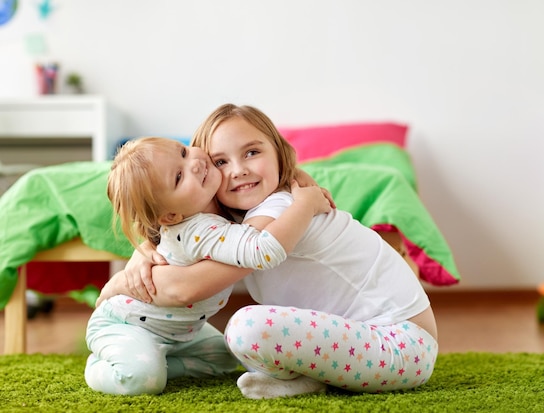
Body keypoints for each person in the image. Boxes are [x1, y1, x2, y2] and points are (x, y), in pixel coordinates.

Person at [99, 104, 438, 399]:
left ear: (278, 151)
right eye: (220, 160)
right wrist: (145, 248)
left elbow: (189, 283)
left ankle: (307, 379)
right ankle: (309, 379)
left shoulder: (281, 208)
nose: (238, 169)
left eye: (252, 153)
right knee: (245, 344)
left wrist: (304, 203)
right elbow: (177, 228)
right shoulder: (233, 218)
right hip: (370, 341)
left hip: (402, 344)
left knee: (246, 328)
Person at [87, 136, 331, 395]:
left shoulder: (213, 202)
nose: (193, 163)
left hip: (180, 333)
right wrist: (305, 206)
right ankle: (101, 367)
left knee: (224, 360)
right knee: (142, 380)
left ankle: (157, 361)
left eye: (183, 151)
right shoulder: (199, 230)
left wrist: (291, 173)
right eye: (179, 177)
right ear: (171, 216)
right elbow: (261, 250)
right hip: (125, 324)